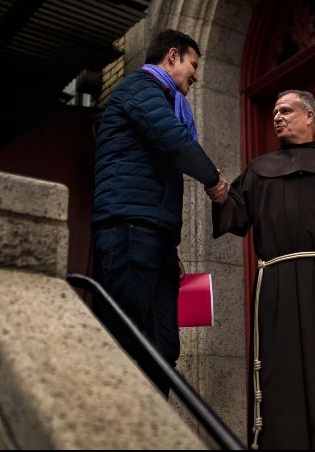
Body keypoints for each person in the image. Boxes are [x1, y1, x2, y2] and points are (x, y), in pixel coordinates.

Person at [212, 90, 315, 449]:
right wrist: (220, 191)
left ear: (309, 117)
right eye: (274, 113)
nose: (277, 117)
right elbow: (236, 216)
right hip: (277, 281)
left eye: (286, 111)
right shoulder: (259, 169)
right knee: (279, 371)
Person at [91, 29, 228, 396]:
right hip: (129, 230)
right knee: (126, 336)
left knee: (164, 345)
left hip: (155, 239)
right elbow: (174, 142)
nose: (196, 75)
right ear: (172, 56)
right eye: (193, 65)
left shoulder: (165, 99)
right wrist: (213, 180)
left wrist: (171, 248)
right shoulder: (140, 90)